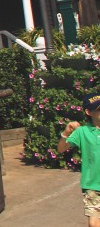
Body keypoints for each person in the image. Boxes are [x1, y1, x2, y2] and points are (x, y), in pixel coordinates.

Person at [59, 93, 100, 227]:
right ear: (89, 112)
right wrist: (66, 134)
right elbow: (61, 149)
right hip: (92, 185)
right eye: (99, 109)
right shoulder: (82, 132)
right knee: (94, 223)